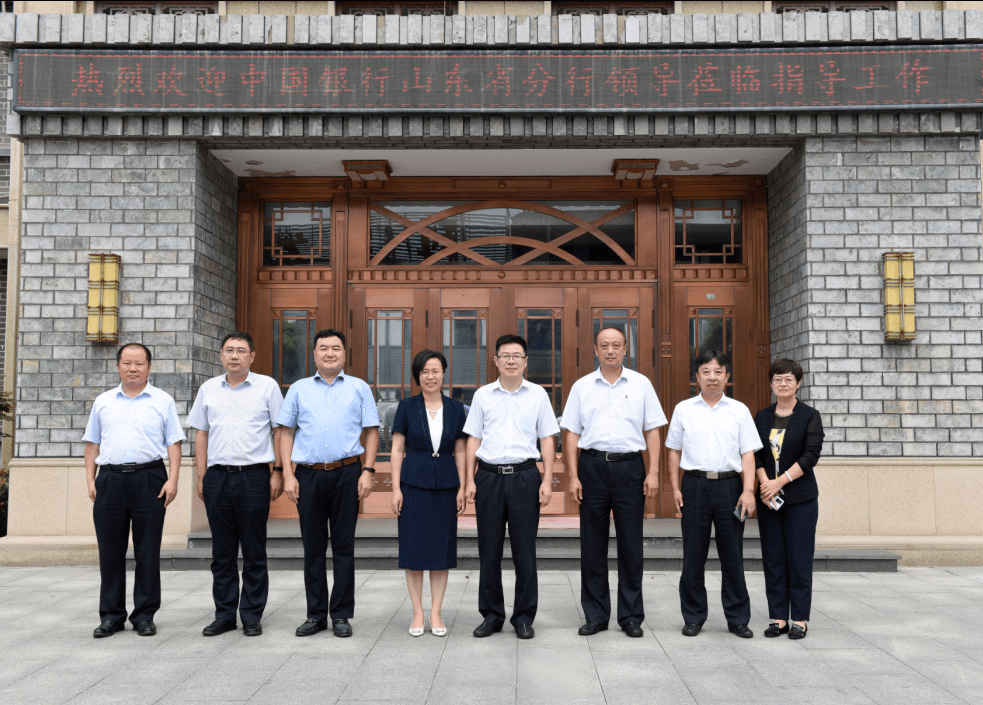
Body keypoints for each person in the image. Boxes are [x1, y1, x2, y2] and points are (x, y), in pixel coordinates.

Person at [560, 327, 667, 639]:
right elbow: (571, 433)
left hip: (630, 468)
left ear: (625, 349)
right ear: (596, 350)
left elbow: (653, 430)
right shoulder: (582, 387)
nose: (610, 350)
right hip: (591, 467)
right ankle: (595, 615)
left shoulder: (641, 384)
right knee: (592, 545)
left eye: (616, 345)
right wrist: (573, 475)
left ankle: (631, 616)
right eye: (604, 345)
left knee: (631, 545)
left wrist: (654, 471)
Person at [277, 328, 380, 638]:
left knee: (344, 546)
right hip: (307, 474)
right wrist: (287, 473)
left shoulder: (359, 388)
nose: (330, 353)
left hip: (348, 472)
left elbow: (372, 431)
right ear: (314, 354)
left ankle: (341, 614)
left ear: (344, 354)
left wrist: (369, 471)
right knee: (313, 547)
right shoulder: (299, 389)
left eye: (336, 348)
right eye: (324, 348)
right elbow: (285, 432)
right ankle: (315, 614)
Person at [82, 343, 186, 638]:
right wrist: (91, 480)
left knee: (148, 551)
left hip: (150, 479)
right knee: (110, 553)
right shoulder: (103, 402)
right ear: (118, 366)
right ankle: (111, 616)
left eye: (139, 363)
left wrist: (173, 479)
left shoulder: (162, 401)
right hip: (110, 480)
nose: (132, 368)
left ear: (149, 367)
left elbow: (174, 443)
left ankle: (144, 615)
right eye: (127, 362)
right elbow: (92, 443)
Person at [186, 332, 284, 638]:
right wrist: (202, 475)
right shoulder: (208, 389)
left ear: (252, 357)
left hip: (254, 476)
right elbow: (201, 433)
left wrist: (279, 470)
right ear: (220, 355)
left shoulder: (267, 387)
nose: (234, 355)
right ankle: (225, 614)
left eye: (241, 350)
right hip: (217, 477)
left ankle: (252, 614)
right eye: (229, 350)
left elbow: (280, 431)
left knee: (254, 549)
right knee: (222, 552)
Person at [464, 334, 559, 640]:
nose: (511, 361)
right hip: (489, 477)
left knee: (524, 551)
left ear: (526, 361)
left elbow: (547, 438)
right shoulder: (482, 396)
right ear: (495, 360)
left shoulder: (538, 395)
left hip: (524, 477)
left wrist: (547, 479)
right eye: (505, 355)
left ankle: (523, 617)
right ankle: (491, 616)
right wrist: (469, 480)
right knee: (488, 551)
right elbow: (473, 440)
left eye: (517, 356)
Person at [666, 349, 762, 639]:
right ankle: (693, 617)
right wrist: (674, 488)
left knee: (732, 554)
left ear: (727, 376)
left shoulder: (739, 410)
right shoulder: (684, 409)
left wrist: (748, 491)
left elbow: (748, 453)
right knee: (692, 556)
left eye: (718, 372)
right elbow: (673, 450)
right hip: (694, 485)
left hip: (730, 487)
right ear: (697, 376)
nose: (712, 377)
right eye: (706, 371)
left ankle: (738, 618)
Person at [389, 350, 468, 637]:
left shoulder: (457, 409)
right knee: (413, 551)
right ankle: (417, 611)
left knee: (440, 551)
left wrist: (462, 486)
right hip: (413, 485)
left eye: (435, 370)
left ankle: (435, 611)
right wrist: (396, 488)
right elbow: (397, 449)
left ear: (444, 373)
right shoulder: (407, 407)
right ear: (417, 376)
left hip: (446, 485)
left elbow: (460, 449)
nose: (430, 376)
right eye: (424, 371)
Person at [753, 359, 825, 640]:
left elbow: (811, 455)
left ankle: (800, 619)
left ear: (798, 383)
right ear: (771, 384)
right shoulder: (761, 416)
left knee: (799, 558)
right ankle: (779, 618)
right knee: (773, 558)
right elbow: (754, 453)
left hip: (800, 498)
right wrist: (764, 485)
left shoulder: (809, 415)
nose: (783, 384)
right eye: (778, 379)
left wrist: (779, 482)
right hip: (769, 499)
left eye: (789, 379)